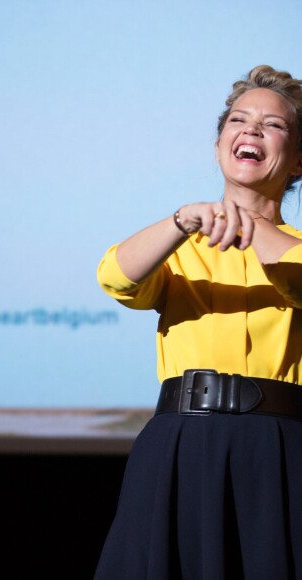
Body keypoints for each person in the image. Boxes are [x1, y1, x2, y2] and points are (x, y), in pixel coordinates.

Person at [94, 65, 302, 579]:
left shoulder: (293, 247)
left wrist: (249, 224)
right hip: (182, 441)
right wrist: (182, 221)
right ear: (218, 147)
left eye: (272, 125)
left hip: (278, 449)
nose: (251, 130)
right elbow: (116, 277)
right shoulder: (182, 242)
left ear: (297, 160)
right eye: (238, 119)